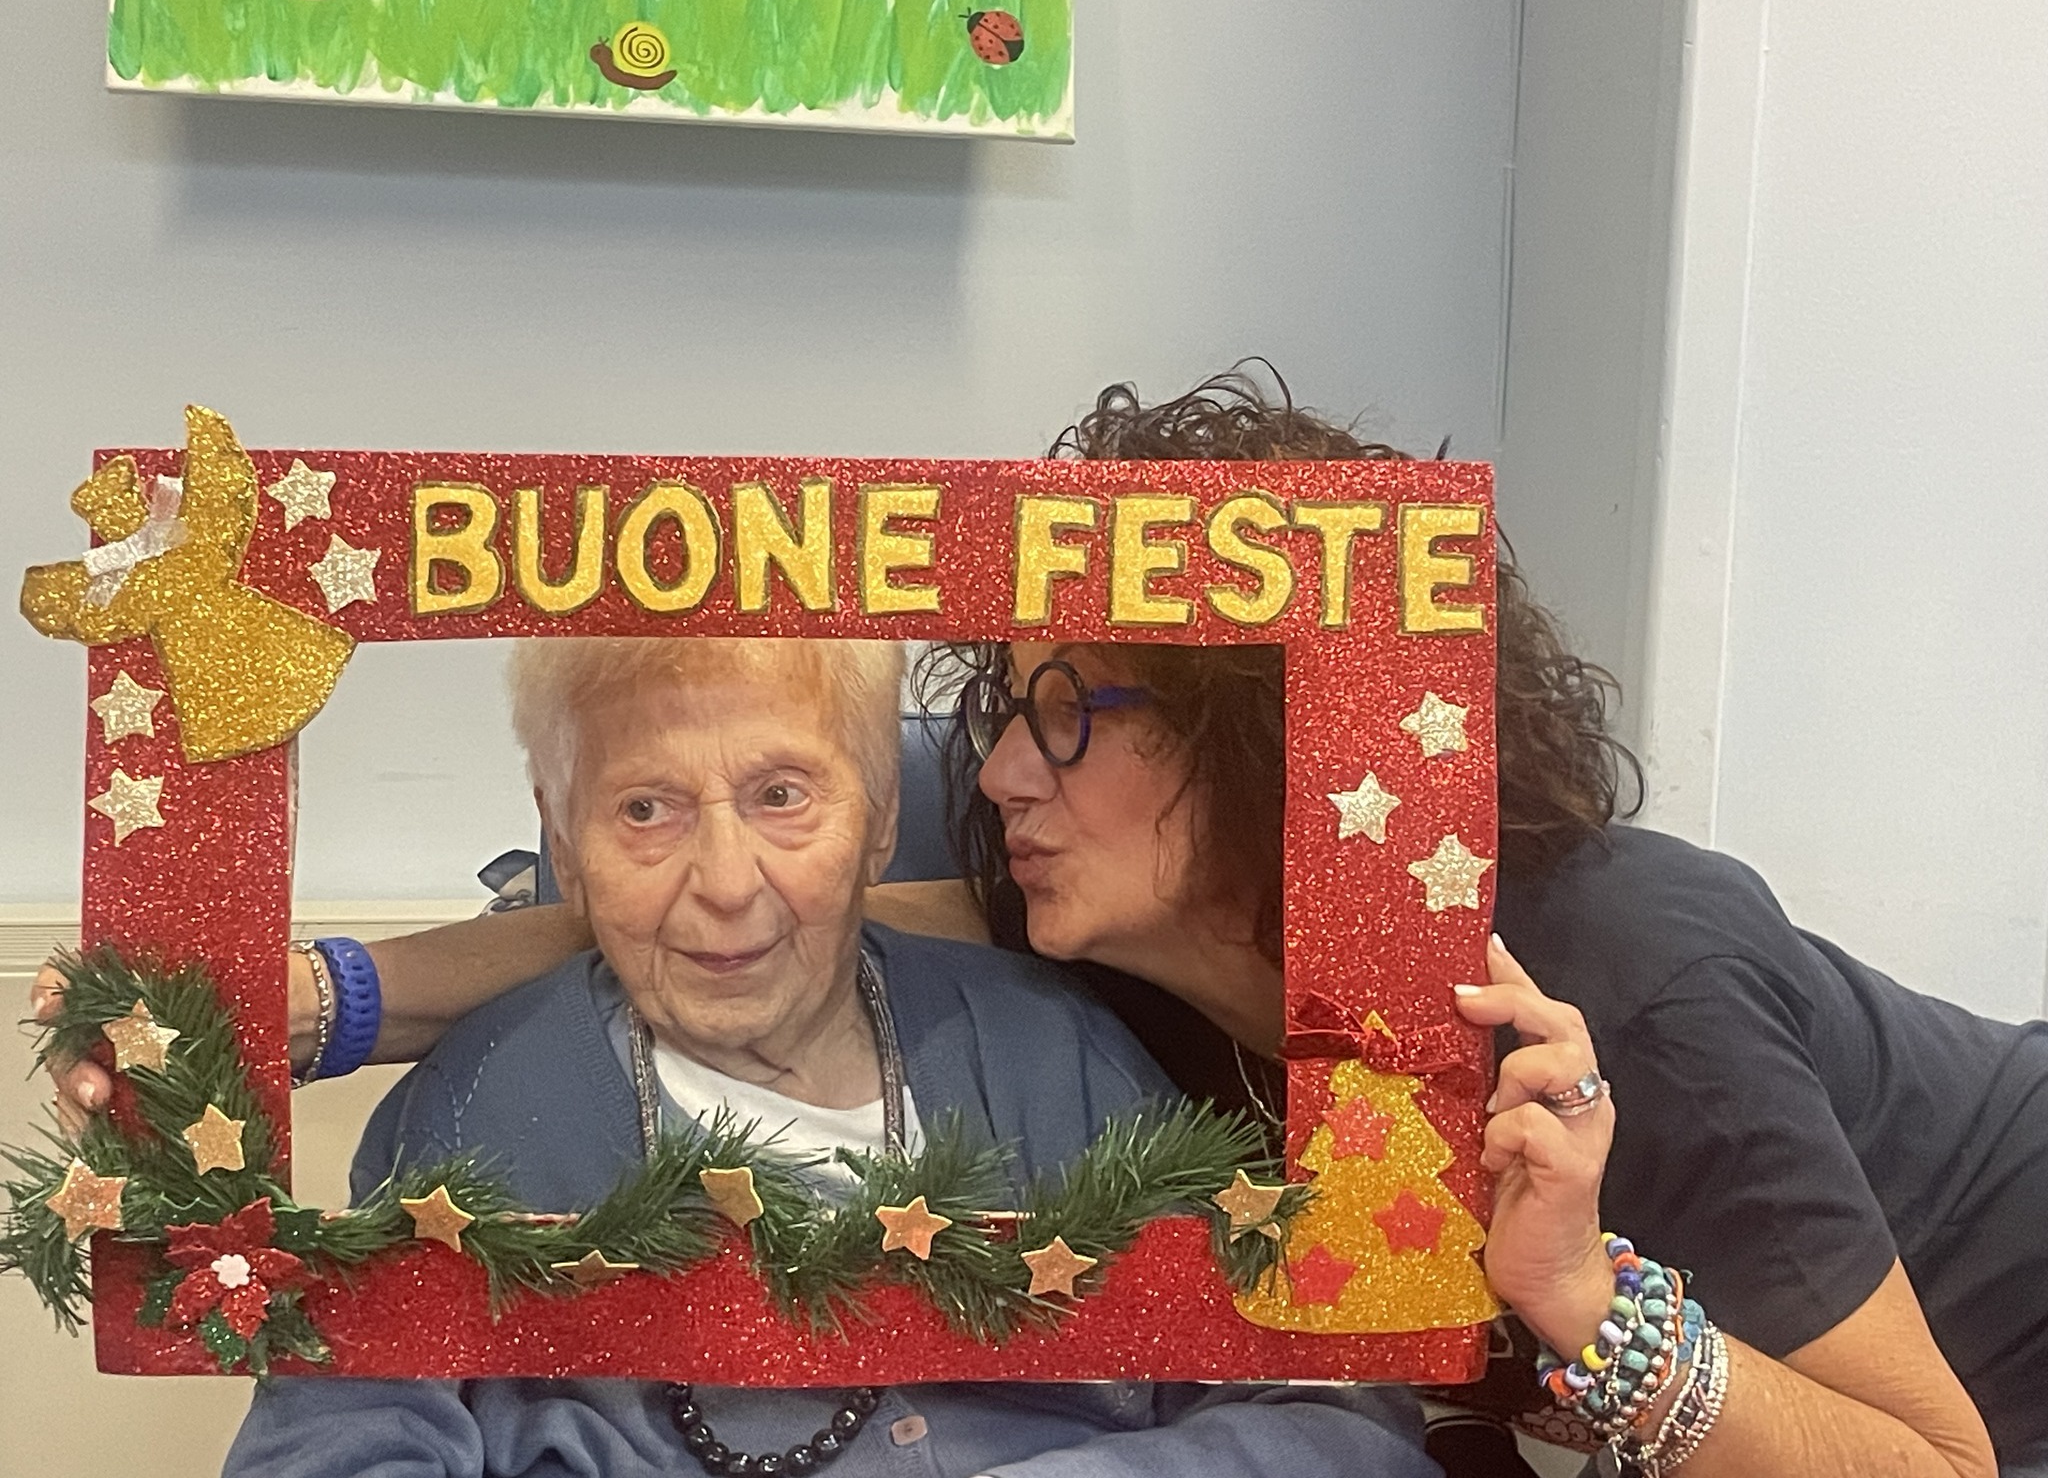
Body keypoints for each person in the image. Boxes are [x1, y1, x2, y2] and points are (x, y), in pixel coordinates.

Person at [41, 370, 2042, 1474]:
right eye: (1001, 704)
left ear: (1268, 732)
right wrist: (294, 1002)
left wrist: (1588, 1306)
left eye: (1069, 709)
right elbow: (717, 912)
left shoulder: (1608, 990)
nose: (997, 768)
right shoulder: (1098, 941)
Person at [220, 634, 1436, 1478]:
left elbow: (1330, 1418)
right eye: (644, 808)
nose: (725, 884)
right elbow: (332, 1445)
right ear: (563, 835)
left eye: (781, 796)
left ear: (880, 816)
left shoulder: (1054, 1050)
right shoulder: (480, 1108)